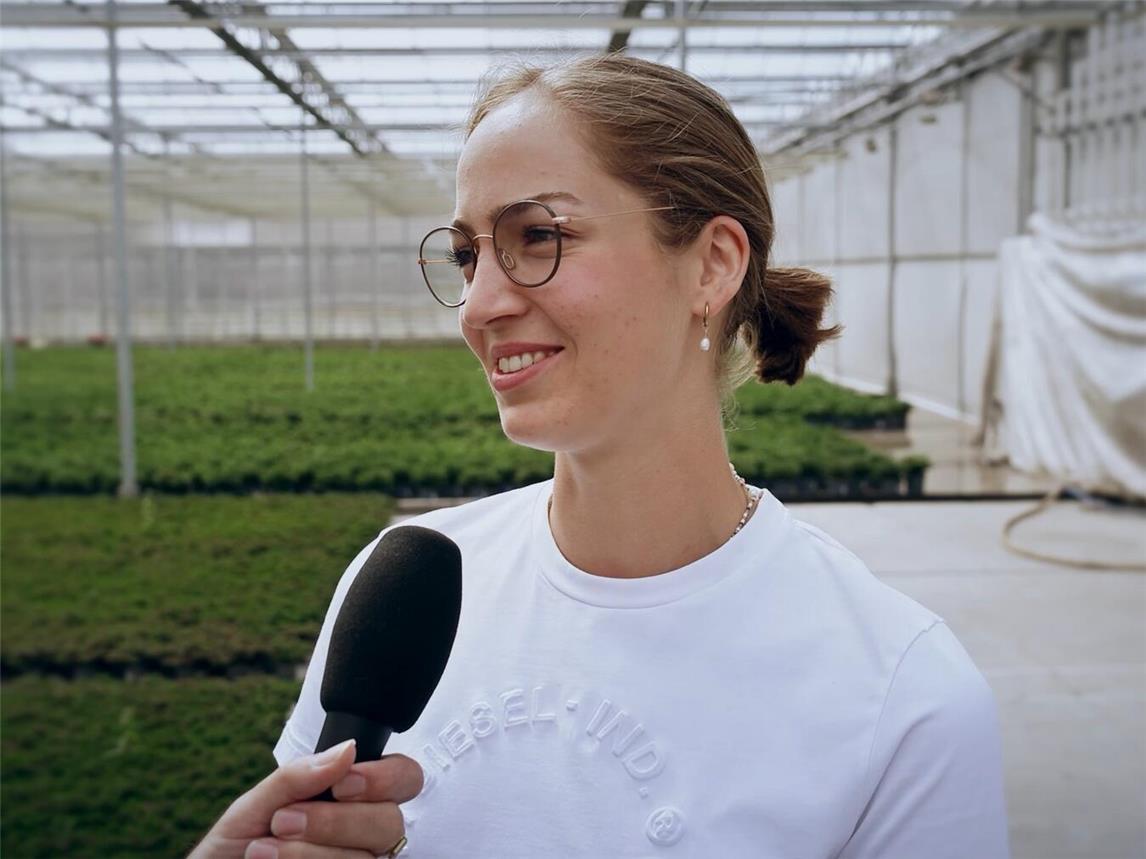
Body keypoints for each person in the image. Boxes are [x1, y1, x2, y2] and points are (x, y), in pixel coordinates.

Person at [190, 54, 1011, 859]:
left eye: (539, 236)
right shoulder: (406, 587)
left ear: (713, 265)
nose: (478, 306)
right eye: (469, 254)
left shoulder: (901, 697)